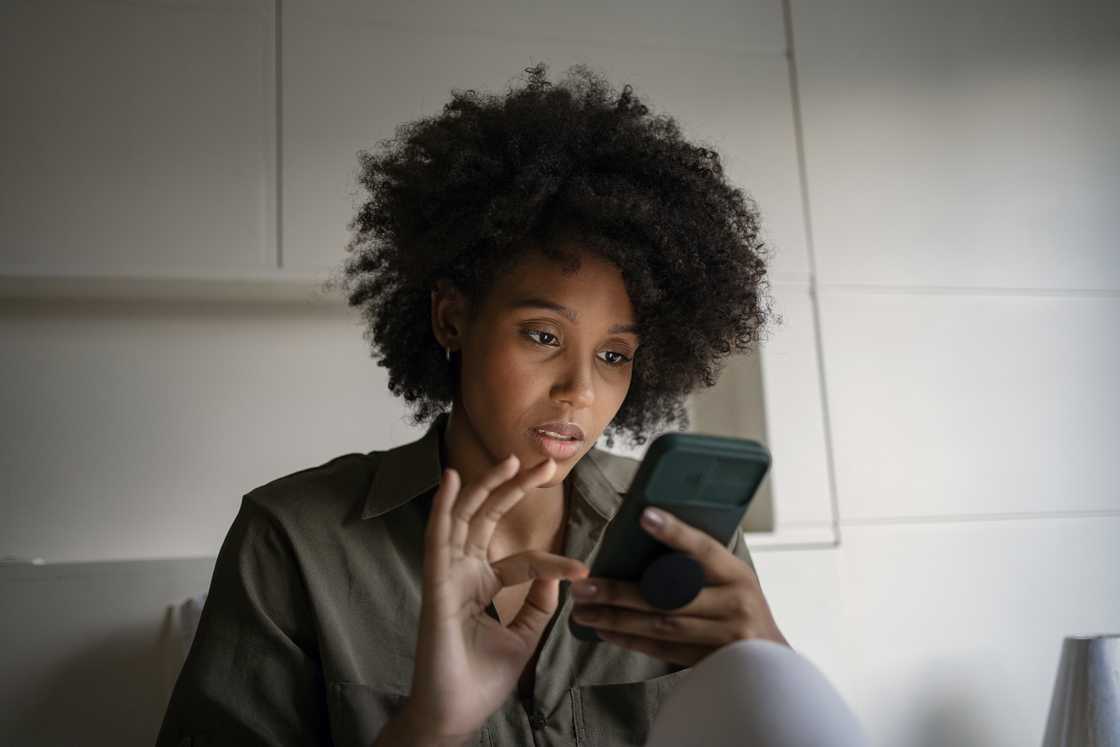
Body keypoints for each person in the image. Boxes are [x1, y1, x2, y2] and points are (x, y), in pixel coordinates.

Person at [157, 62, 866, 746]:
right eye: (542, 335)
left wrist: (771, 661)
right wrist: (429, 728)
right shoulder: (293, 543)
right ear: (450, 319)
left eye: (615, 354)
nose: (580, 391)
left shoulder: (683, 539)